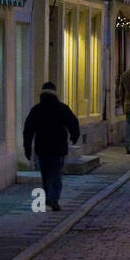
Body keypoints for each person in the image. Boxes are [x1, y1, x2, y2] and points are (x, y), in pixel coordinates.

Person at [22, 82, 81, 212]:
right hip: (58, 146)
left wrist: (27, 147)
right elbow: (73, 123)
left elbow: (28, 130)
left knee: (46, 174)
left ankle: (48, 196)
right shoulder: (62, 108)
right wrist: (74, 136)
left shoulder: (36, 109)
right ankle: (53, 198)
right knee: (56, 173)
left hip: (42, 147)